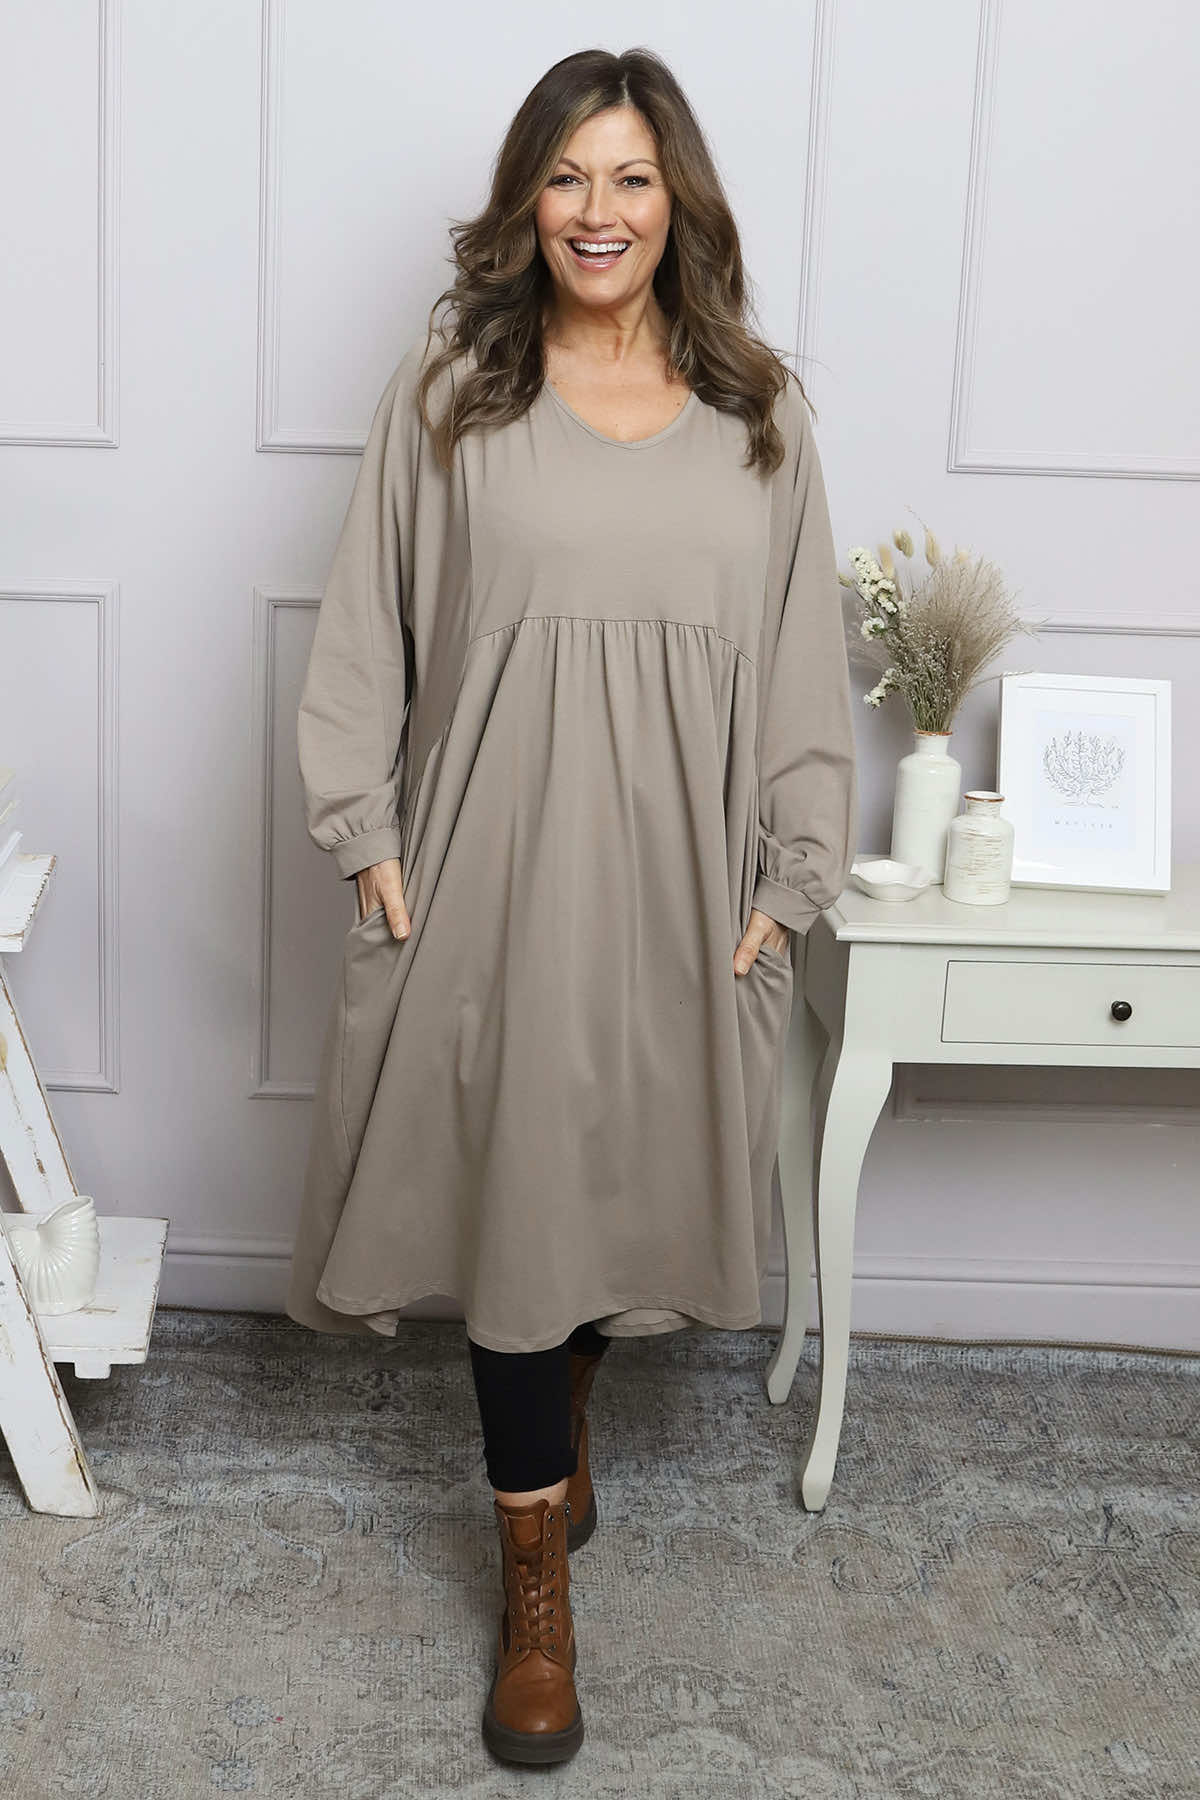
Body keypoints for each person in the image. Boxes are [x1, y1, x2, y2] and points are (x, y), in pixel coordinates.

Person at [285, 46, 858, 1767]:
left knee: (622, 1187)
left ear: (677, 200)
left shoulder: (758, 414)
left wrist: (793, 874)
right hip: (494, 867)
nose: (596, 213)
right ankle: (533, 1581)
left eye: (629, 178)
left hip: (686, 884)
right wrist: (366, 829)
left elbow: (803, 665)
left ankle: (569, 1422)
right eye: (565, 177)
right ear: (525, 199)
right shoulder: (456, 389)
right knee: (521, 1207)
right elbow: (368, 612)